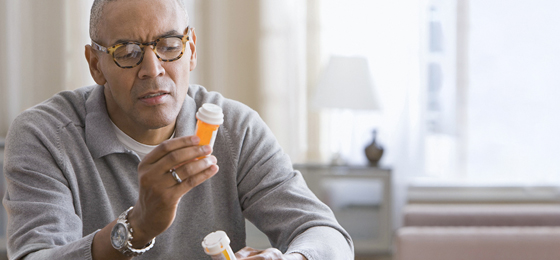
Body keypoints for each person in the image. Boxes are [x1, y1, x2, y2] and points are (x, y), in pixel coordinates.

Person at [2, 0, 354, 259]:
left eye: (169, 46)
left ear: (191, 50)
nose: (153, 70)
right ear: (96, 65)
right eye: (127, 52)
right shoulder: (44, 136)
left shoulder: (234, 128)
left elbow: (323, 232)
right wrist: (138, 226)